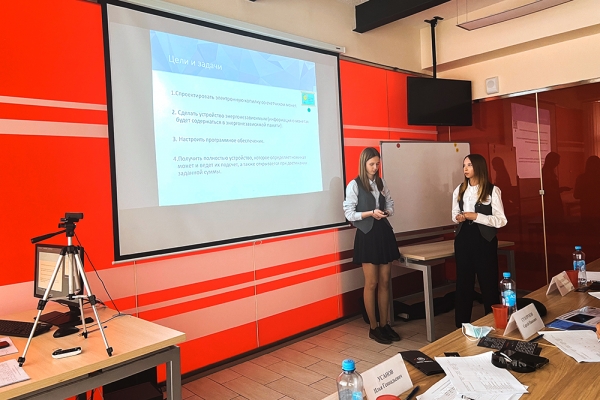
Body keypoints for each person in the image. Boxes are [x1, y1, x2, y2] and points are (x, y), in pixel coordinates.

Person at [343, 147, 401, 344]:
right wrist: (370, 213)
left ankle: (385, 324)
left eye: (377, 164)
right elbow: (349, 214)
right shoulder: (354, 185)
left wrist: (387, 212)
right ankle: (374, 327)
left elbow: (390, 203)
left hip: (383, 232)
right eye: (371, 164)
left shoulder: (381, 182)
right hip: (367, 235)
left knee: (385, 281)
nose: (375, 168)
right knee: (371, 283)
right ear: (364, 164)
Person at [452, 154, 507, 328]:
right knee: (463, 283)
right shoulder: (459, 189)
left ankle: (494, 323)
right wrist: (460, 217)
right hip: (463, 238)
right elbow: (453, 215)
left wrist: (476, 216)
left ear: (479, 167)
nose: (465, 169)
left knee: (488, 282)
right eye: (464, 165)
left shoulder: (492, 190)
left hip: (484, 239)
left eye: (469, 165)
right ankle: (461, 325)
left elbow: (501, 220)